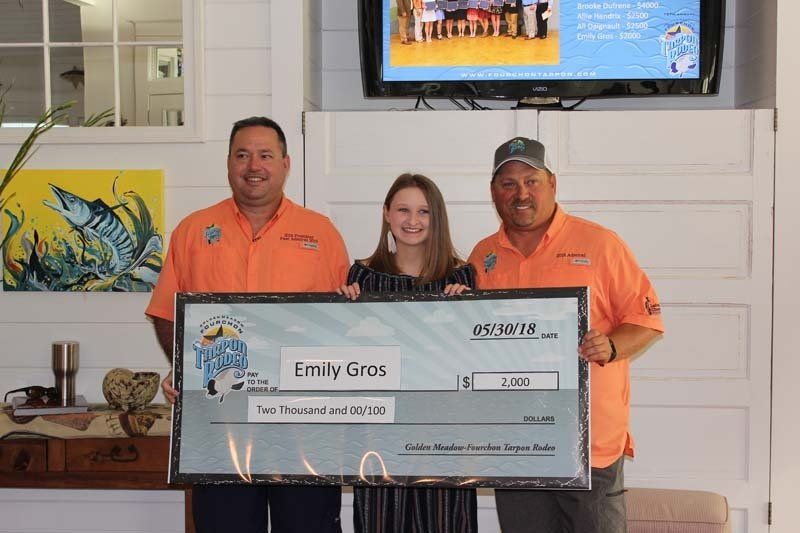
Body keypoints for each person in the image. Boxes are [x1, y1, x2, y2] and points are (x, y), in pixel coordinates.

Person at [147, 116, 350, 533]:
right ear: (228, 164)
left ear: (285, 164)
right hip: (221, 427)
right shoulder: (193, 231)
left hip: (304, 427)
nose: (253, 166)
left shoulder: (321, 233)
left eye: (265, 155)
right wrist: (187, 369)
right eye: (242, 155)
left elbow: (344, 323)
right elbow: (168, 312)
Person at [468, 138, 664, 533]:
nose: (520, 193)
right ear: (493, 192)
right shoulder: (481, 255)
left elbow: (646, 322)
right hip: (516, 443)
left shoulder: (600, 244)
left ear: (552, 184)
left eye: (531, 180)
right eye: (508, 183)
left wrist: (609, 345)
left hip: (588, 446)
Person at [337, 173, 478, 533]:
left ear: (437, 218)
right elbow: (343, 361)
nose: (412, 221)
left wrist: (473, 313)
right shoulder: (362, 279)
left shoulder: (461, 279)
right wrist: (342, 314)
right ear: (386, 213)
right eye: (403, 209)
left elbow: (478, 362)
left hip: (445, 439)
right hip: (378, 439)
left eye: (423, 211)